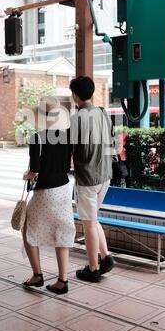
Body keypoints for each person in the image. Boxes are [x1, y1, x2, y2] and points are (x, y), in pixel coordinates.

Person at [22, 96, 75, 295]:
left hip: (46, 192)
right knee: (61, 232)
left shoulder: (37, 138)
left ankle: (37, 275)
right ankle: (63, 280)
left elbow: (34, 170)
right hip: (63, 189)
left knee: (28, 229)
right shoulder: (67, 136)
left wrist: (26, 175)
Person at [70, 76, 115, 283]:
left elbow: (71, 148)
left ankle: (93, 268)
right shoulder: (103, 113)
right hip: (105, 174)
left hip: (87, 177)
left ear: (75, 95)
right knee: (93, 218)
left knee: (88, 223)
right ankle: (106, 258)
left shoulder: (77, 118)